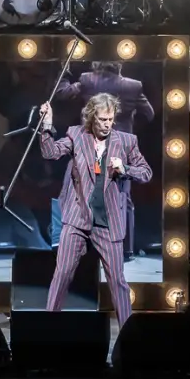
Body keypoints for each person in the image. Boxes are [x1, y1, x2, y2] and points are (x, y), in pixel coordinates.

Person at [39, 93, 152, 328]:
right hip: (77, 220)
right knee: (62, 274)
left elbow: (146, 173)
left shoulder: (126, 141)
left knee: (117, 281)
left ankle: (128, 334)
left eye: (110, 119)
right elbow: (51, 153)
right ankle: (48, 328)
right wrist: (47, 126)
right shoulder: (76, 135)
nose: (107, 124)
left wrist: (125, 168)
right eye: (102, 119)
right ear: (92, 117)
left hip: (108, 223)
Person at [55, 61, 155, 260]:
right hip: (121, 146)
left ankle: (84, 248)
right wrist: (130, 125)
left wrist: (63, 71)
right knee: (123, 198)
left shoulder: (87, 79)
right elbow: (149, 114)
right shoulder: (133, 86)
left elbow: (61, 93)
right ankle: (125, 250)